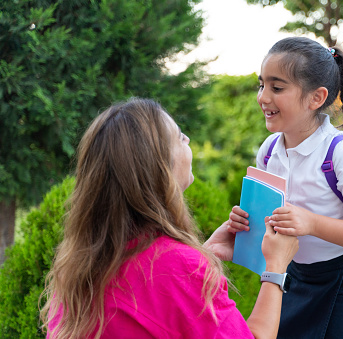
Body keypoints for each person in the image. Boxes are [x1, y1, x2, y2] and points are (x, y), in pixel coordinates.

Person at [40, 97, 299, 339]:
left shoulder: (77, 268)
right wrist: (275, 267)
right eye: (179, 138)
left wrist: (203, 254)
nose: (187, 139)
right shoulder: (178, 268)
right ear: (158, 167)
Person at [227, 37, 343, 339]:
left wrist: (311, 223)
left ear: (316, 98)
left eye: (277, 88)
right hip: (298, 275)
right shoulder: (269, 151)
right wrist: (247, 222)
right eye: (261, 84)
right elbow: (274, 219)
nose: (263, 97)